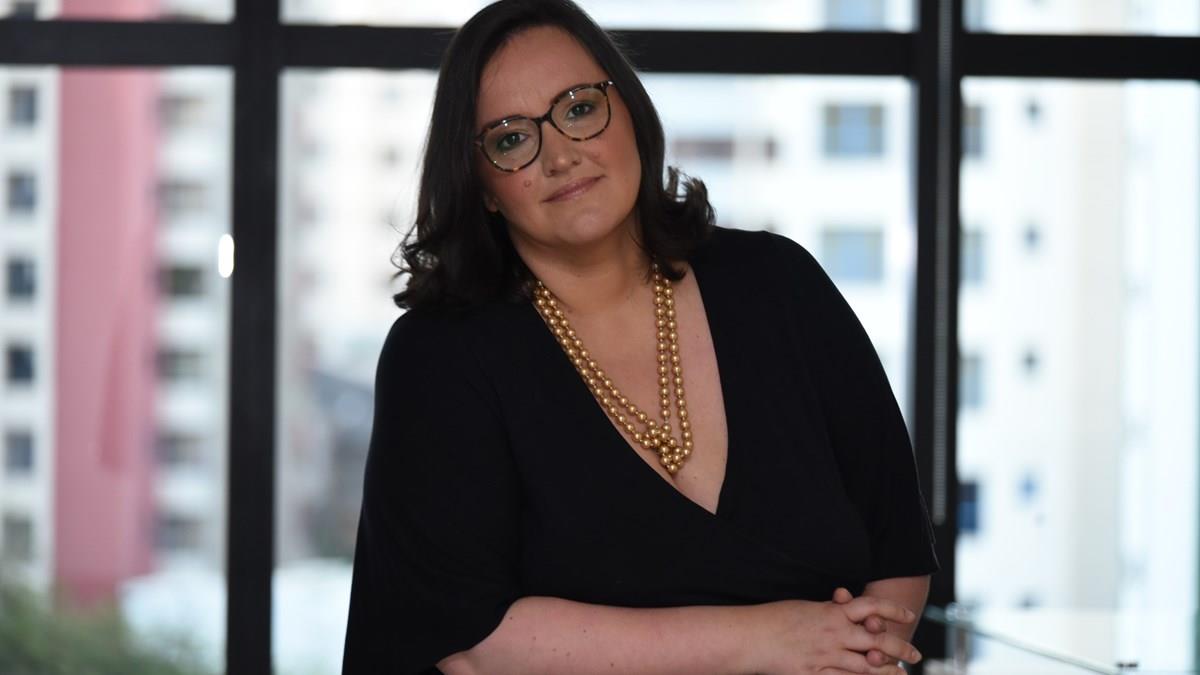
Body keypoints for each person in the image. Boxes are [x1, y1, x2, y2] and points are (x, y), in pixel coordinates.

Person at [341, 0, 939, 673]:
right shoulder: (439, 356)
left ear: (630, 112)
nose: (561, 155)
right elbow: (467, 641)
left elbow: (897, 548)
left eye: (579, 108)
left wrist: (860, 657)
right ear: (482, 186)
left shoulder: (781, 284)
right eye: (511, 139)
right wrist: (770, 639)